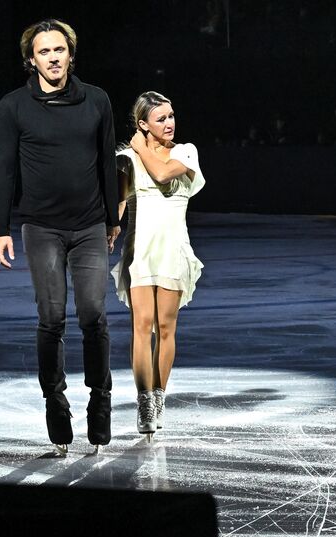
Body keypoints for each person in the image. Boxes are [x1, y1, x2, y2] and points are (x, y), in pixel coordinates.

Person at [0, 19, 120, 456]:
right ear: (31, 59)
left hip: (89, 226)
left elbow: (106, 162)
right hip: (41, 227)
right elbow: (4, 170)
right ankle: (56, 405)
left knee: (93, 314)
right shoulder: (13, 106)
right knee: (51, 318)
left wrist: (112, 219)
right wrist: (0, 228)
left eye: (59, 50)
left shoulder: (97, 100)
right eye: (44, 52)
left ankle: (100, 403)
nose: (53, 58)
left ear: (70, 54)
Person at [112, 92, 205, 437]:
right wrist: (112, 227)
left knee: (165, 328)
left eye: (171, 116)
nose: (169, 123)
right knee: (142, 325)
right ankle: (143, 400)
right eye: (160, 119)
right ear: (143, 125)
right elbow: (118, 203)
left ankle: (159, 395)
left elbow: (164, 174)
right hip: (141, 251)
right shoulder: (126, 158)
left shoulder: (185, 152)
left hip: (172, 250)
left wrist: (141, 149)